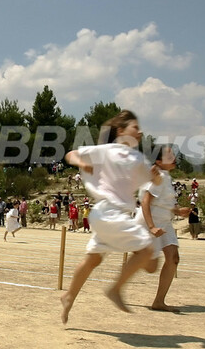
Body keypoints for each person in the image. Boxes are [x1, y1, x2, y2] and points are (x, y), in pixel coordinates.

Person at [59, 110, 160, 324]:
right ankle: (115, 289)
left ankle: (69, 296)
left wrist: (156, 177)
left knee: (94, 259)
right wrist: (82, 163)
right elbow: (70, 155)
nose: (140, 131)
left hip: (111, 216)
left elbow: (154, 181)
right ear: (121, 131)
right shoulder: (107, 151)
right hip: (108, 212)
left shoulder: (138, 158)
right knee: (147, 252)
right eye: (135, 127)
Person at [140, 145, 190, 312]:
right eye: (169, 156)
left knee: (173, 258)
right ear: (159, 162)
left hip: (166, 224)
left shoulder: (167, 177)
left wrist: (178, 211)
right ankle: (135, 250)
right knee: (150, 266)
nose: (174, 158)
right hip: (152, 224)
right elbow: (145, 202)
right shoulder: (158, 177)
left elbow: (164, 203)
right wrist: (151, 227)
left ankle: (159, 301)